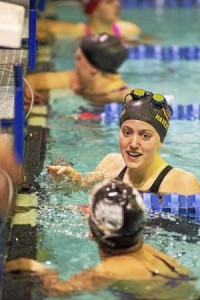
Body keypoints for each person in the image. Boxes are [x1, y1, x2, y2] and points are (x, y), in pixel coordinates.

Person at [5, 180, 197, 299]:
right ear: (140, 227)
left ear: (91, 231)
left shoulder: (106, 272)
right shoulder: (153, 254)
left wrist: (37, 269)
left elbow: (58, 290)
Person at [46, 88, 200, 196]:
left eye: (145, 136)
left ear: (160, 141)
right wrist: (74, 181)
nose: (133, 143)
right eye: (127, 132)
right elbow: (83, 184)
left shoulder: (183, 183)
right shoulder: (111, 163)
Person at [24, 33, 130, 109]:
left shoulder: (118, 93)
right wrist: (29, 91)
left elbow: (140, 99)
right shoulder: (77, 79)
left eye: (79, 59)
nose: (75, 64)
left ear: (93, 68)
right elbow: (33, 80)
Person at [37, 0, 158, 46]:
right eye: (109, 2)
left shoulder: (129, 29)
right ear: (94, 10)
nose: (117, 4)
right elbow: (37, 24)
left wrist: (136, 43)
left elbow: (154, 41)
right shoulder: (77, 31)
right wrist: (45, 36)